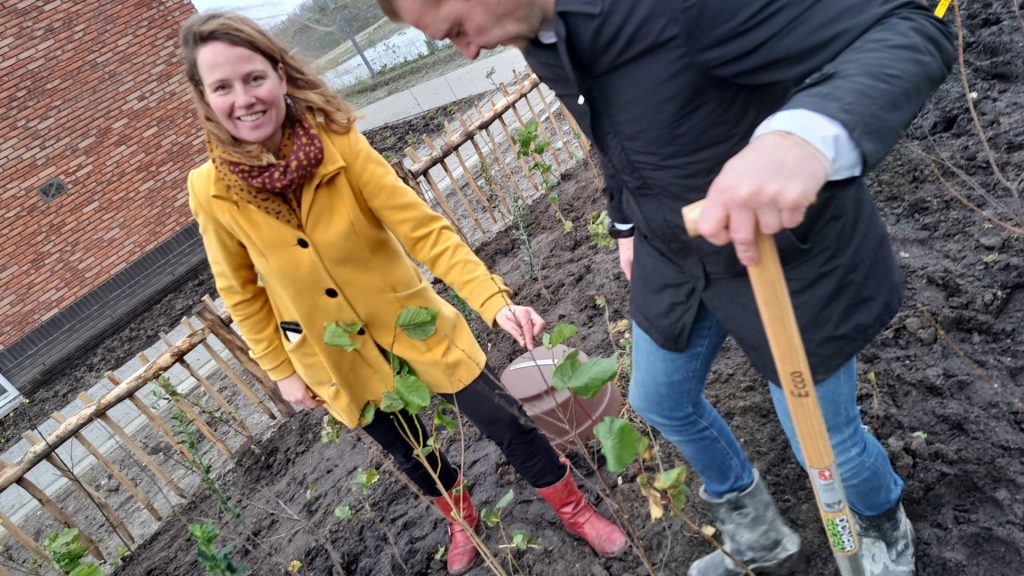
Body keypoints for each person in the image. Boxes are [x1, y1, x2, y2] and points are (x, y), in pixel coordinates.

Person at [381, 1, 956, 575]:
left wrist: (803, 136)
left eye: (457, 29)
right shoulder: (540, 35)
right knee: (660, 398)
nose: (468, 51)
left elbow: (905, 28)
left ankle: (884, 522)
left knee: (825, 446)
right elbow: (607, 129)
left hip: (776, 249)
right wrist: (627, 223)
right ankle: (755, 530)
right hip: (674, 247)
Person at [179, 12, 628, 575]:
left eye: (253, 78)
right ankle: (462, 521)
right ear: (205, 96)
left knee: (504, 420)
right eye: (222, 86)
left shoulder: (337, 143)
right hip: (334, 353)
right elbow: (239, 292)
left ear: (279, 74)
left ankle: (576, 511)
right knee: (412, 453)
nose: (243, 98)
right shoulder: (210, 189)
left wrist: (493, 300)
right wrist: (282, 370)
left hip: (411, 323)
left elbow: (424, 230)